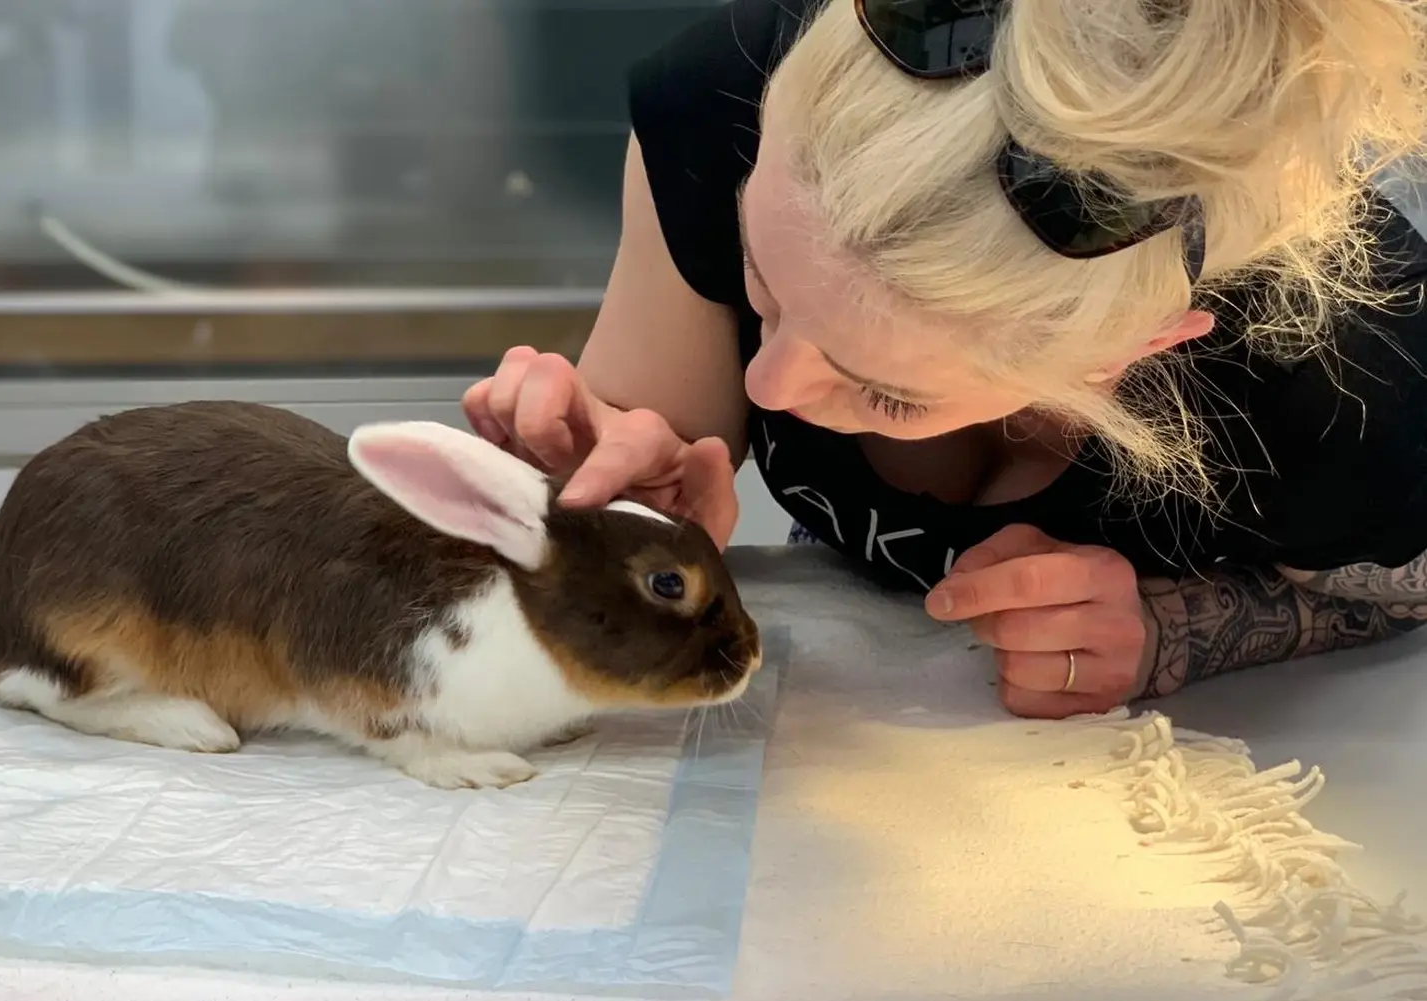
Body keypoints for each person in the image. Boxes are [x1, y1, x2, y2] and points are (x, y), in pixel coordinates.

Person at [463, 0, 1427, 720]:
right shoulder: (725, 98)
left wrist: (1179, 631)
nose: (769, 386)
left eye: (887, 393)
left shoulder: (1349, 390)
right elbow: (646, 469)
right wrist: (609, 476)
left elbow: (1401, 599)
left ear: (1127, 355)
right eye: (762, 277)